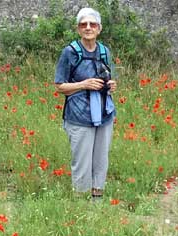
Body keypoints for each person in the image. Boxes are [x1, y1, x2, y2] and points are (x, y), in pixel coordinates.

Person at [54, 7, 118, 202]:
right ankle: (81, 203)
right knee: (81, 161)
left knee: (101, 159)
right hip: (79, 115)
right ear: (78, 28)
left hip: (104, 114)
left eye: (92, 24)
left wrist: (112, 85)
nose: (88, 27)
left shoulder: (104, 51)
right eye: (83, 24)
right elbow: (60, 86)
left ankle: (97, 200)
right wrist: (84, 84)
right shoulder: (70, 52)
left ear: (99, 28)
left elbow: (109, 76)